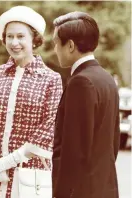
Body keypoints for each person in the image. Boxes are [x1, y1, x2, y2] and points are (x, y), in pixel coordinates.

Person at [0, 6, 63, 198]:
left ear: (34, 39)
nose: (14, 43)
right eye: (9, 37)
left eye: (21, 36)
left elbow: (48, 127)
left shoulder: (51, 79)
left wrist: (6, 162)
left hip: (29, 174)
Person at [52, 12, 120, 198]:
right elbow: (113, 144)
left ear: (71, 45)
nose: (55, 49)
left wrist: (62, 193)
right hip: (104, 187)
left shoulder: (80, 82)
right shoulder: (106, 78)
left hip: (81, 191)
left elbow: (74, 150)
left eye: (56, 43)